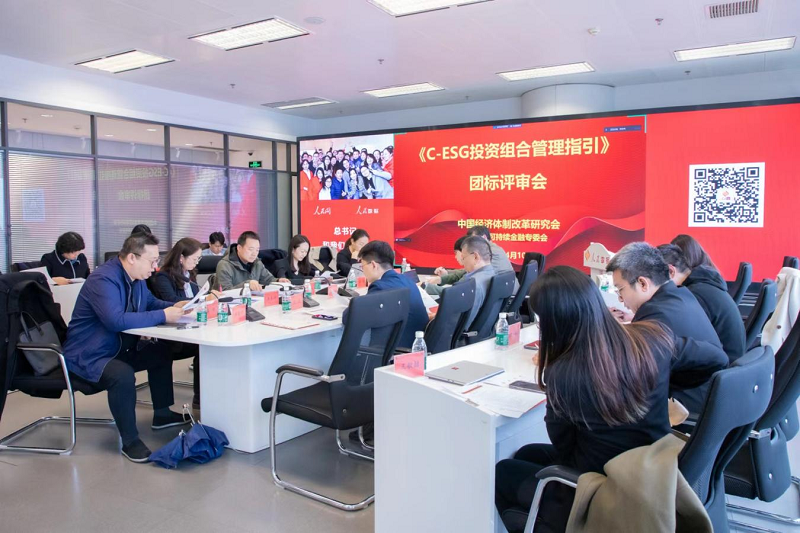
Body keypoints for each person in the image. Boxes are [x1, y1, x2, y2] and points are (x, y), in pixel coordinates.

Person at [495, 266, 727, 532]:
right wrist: (661, 384)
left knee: (503, 472)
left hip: (608, 489)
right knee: (527, 453)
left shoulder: (564, 373)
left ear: (551, 321)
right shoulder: (650, 337)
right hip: (655, 469)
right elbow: (716, 359)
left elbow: (565, 448)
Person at [63, 233, 190, 463]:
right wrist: (164, 315)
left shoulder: (137, 278)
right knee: (121, 375)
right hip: (89, 354)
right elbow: (115, 320)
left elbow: (149, 303)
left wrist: (176, 306)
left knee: (160, 352)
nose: (155, 266)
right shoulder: (103, 279)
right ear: (132, 257)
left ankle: (162, 414)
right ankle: (130, 441)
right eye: (152, 261)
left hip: (118, 348)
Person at [606, 242, 726, 414]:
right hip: (710, 399)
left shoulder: (654, 316)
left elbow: (636, 376)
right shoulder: (681, 294)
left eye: (620, 290)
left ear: (643, 283)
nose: (620, 299)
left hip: (685, 409)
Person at [658, 244, 746, 364]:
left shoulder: (694, 295)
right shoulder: (702, 284)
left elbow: (679, 336)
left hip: (723, 368)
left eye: (655, 278)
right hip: (731, 362)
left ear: (671, 271)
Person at [150, 238, 207, 409]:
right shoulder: (163, 277)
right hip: (172, 334)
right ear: (181, 257)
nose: (197, 262)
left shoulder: (190, 275)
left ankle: (203, 397)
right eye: (194, 258)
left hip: (190, 328)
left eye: (199, 259)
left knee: (207, 348)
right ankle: (200, 399)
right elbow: (172, 300)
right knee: (203, 348)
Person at [352, 240, 429, 349]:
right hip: (416, 346)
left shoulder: (379, 287)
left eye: (362, 266)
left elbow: (352, 316)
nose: (362, 271)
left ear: (373, 265)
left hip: (394, 352)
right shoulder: (407, 280)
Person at [216, 231, 287, 290]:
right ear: (239, 248)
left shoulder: (257, 262)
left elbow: (268, 279)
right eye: (251, 249)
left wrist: (278, 281)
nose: (254, 254)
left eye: (257, 250)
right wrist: (247, 285)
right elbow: (225, 293)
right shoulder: (224, 265)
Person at [460, 236, 496, 328]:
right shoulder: (493, 274)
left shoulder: (473, 284)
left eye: (463, 258)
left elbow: (463, 325)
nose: (462, 263)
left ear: (475, 257)